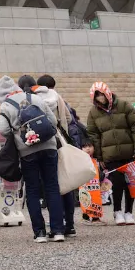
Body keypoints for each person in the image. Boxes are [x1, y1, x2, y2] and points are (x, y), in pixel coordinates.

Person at [0, 76, 64, 243]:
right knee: (52, 187)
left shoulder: (6, 106)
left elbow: (3, 130)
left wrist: (19, 133)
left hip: (27, 151)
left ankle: (40, 233)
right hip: (49, 146)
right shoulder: (35, 98)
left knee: (33, 191)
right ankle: (58, 231)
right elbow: (53, 121)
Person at [86, 82, 135, 227]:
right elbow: (94, 135)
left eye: (101, 94)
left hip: (129, 151)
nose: (100, 98)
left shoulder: (124, 105)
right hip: (109, 155)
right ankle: (117, 211)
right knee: (117, 183)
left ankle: (129, 212)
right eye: (96, 96)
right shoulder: (93, 113)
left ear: (107, 93)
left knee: (131, 184)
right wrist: (99, 157)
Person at [36, 74, 81, 236]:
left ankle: (57, 223)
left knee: (51, 185)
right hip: (62, 143)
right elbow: (70, 119)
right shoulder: (59, 98)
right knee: (66, 183)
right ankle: (69, 224)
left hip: (45, 145)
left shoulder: (36, 99)